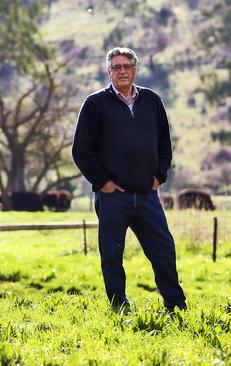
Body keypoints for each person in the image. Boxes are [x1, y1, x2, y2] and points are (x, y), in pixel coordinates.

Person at [72, 47, 186, 312]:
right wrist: (102, 182)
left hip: (148, 196)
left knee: (164, 251)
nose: (122, 71)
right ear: (108, 71)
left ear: (135, 69)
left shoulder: (152, 101)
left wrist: (160, 175)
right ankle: (119, 307)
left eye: (127, 66)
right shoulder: (95, 104)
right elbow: (81, 150)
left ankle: (176, 306)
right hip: (112, 196)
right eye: (116, 67)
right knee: (112, 256)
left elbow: (164, 144)